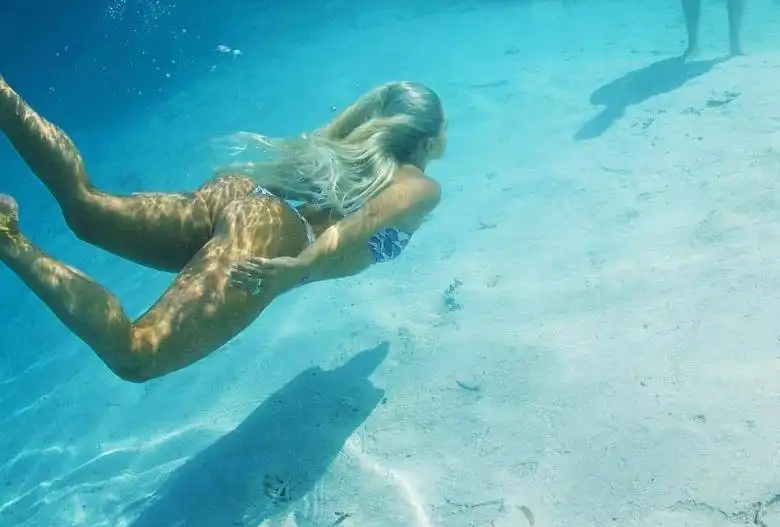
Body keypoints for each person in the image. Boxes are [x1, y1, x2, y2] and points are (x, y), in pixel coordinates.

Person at [0, 77, 446, 383]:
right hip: (274, 235)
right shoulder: (420, 185)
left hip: (240, 196)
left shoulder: (348, 149)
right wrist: (300, 265)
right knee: (137, 354)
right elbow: (360, 226)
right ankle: (8, 240)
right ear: (428, 139)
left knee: (86, 210)